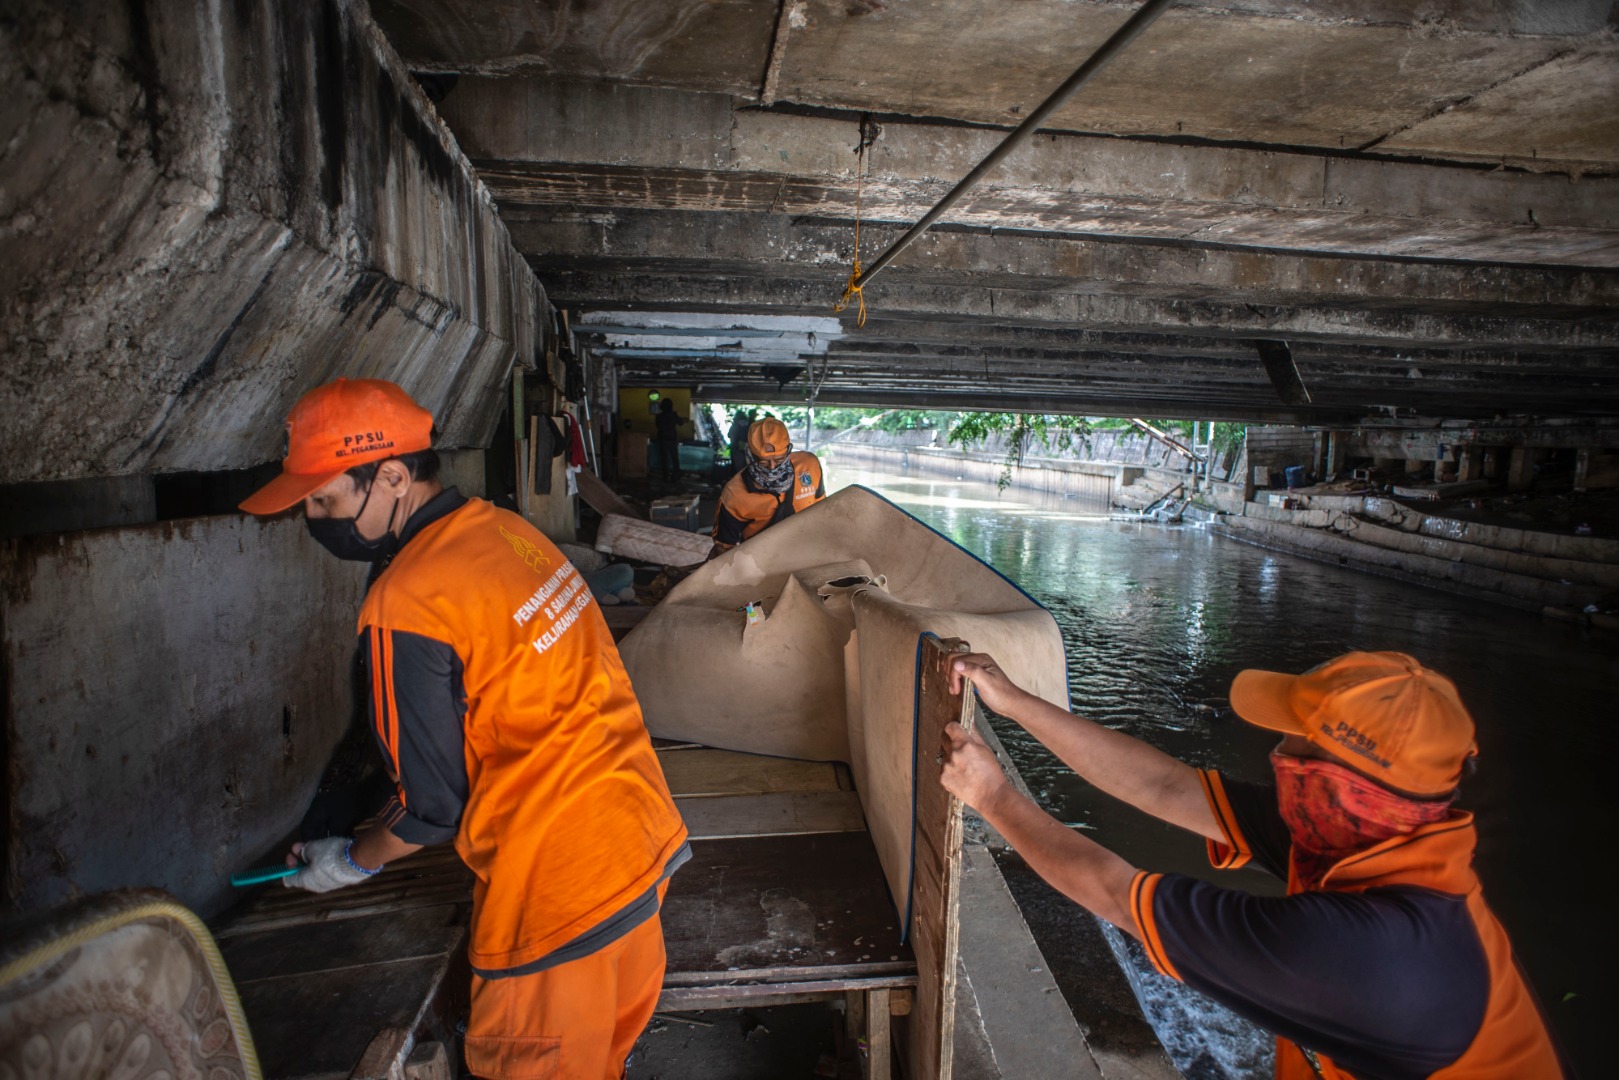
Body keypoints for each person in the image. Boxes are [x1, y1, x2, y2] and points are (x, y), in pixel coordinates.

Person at [238, 378, 689, 1080]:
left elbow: (431, 808)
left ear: (390, 476)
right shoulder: (507, 531)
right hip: (638, 845)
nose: (314, 518)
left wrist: (348, 859)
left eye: (322, 500)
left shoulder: (406, 599)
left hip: (555, 896)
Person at [938, 651, 1566, 1080]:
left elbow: (1113, 892)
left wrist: (993, 797)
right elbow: (1165, 787)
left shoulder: (1373, 949)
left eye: (1292, 737)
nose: (1274, 750)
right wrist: (1013, 701)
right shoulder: (1371, 837)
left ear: (1334, 785)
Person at [709, 416, 825, 558]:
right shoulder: (735, 494)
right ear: (750, 454)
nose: (772, 467)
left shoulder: (809, 466)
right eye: (763, 462)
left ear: (788, 450)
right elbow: (724, 548)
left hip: (808, 552)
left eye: (779, 460)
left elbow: (823, 512)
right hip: (761, 562)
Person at [654, 398, 684, 482]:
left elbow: (657, 426)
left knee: (664, 459)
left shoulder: (659, 416)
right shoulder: (673, 415)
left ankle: (665, 476)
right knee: (674, 458)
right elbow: (681, 423)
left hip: (663, 439)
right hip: (672, 439)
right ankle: (676, 475)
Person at [726, 408, 755, 477]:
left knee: (738, 467)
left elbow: (729, 435)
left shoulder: (738, 425)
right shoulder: (748, 424)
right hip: (740, 448)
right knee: (740, 467)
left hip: (737, 448)